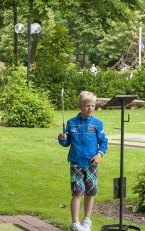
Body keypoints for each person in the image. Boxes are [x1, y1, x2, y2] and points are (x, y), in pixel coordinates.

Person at [58, 91, 108, 231]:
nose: (90, 108)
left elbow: (103, 142)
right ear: (80, 106)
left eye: (93, 105)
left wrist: (99, 155)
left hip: (91, 164)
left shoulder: (97, 124)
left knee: (90, 192)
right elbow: (66, 142)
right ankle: (75, 223)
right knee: (77, 192)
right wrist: (62, 139)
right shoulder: (71, 123)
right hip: (76, 163)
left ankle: (86, 220)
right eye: (87, 106)